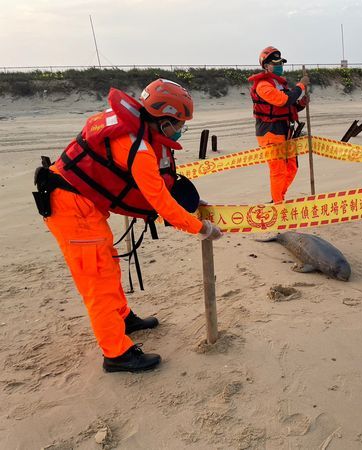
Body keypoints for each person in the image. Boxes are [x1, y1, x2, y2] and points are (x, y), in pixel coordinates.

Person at [33, 79, 222, 372]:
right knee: (98, 281)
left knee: (109, 266)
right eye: (180, 123)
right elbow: (163, 206)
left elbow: (160, 188)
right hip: (70, 209)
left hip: (84, 204)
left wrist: (193, 203)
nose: (181, 129)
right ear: (163, 120)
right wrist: (202, 228)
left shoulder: (134, 131)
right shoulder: (140, 149)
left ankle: (122, 318)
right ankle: (116, 354)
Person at [248, 46, 309, 203]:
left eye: (281, 62)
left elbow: (289, 105)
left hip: (285, 130)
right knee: (278, 171)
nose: (279, 65)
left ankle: (278, 198)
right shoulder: (263, 85)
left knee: (291, 168)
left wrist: (301, 103)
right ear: (266, 66)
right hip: (269, 132)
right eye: (275, 62)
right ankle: (277, 204)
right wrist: (301, 86)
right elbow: (282, 100)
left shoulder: (280, 84)